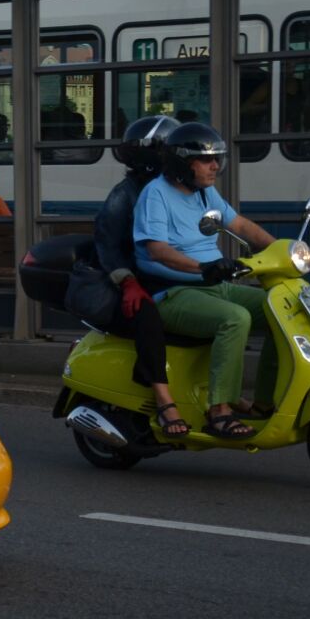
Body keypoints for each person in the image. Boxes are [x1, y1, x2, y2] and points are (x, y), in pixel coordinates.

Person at [132, 122, 278, 440]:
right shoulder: (155, 194)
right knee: (234, 319)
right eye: (207, 160)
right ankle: (219, 412)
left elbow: (240, 224)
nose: (215, 166)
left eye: (217, 159)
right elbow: (157, 251)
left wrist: (284, 249)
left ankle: (263, 404)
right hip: (173, 291)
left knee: (280, 309)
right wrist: (202, 267)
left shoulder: (204, 192)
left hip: (210, 284)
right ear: (184, 163)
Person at [92, 115, 189, 438]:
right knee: (148, 314)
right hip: (136, 280)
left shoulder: (177, 190)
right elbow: (107, 245)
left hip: (176, 276)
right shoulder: (126, 194)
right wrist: (128, 282)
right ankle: (163, 399)